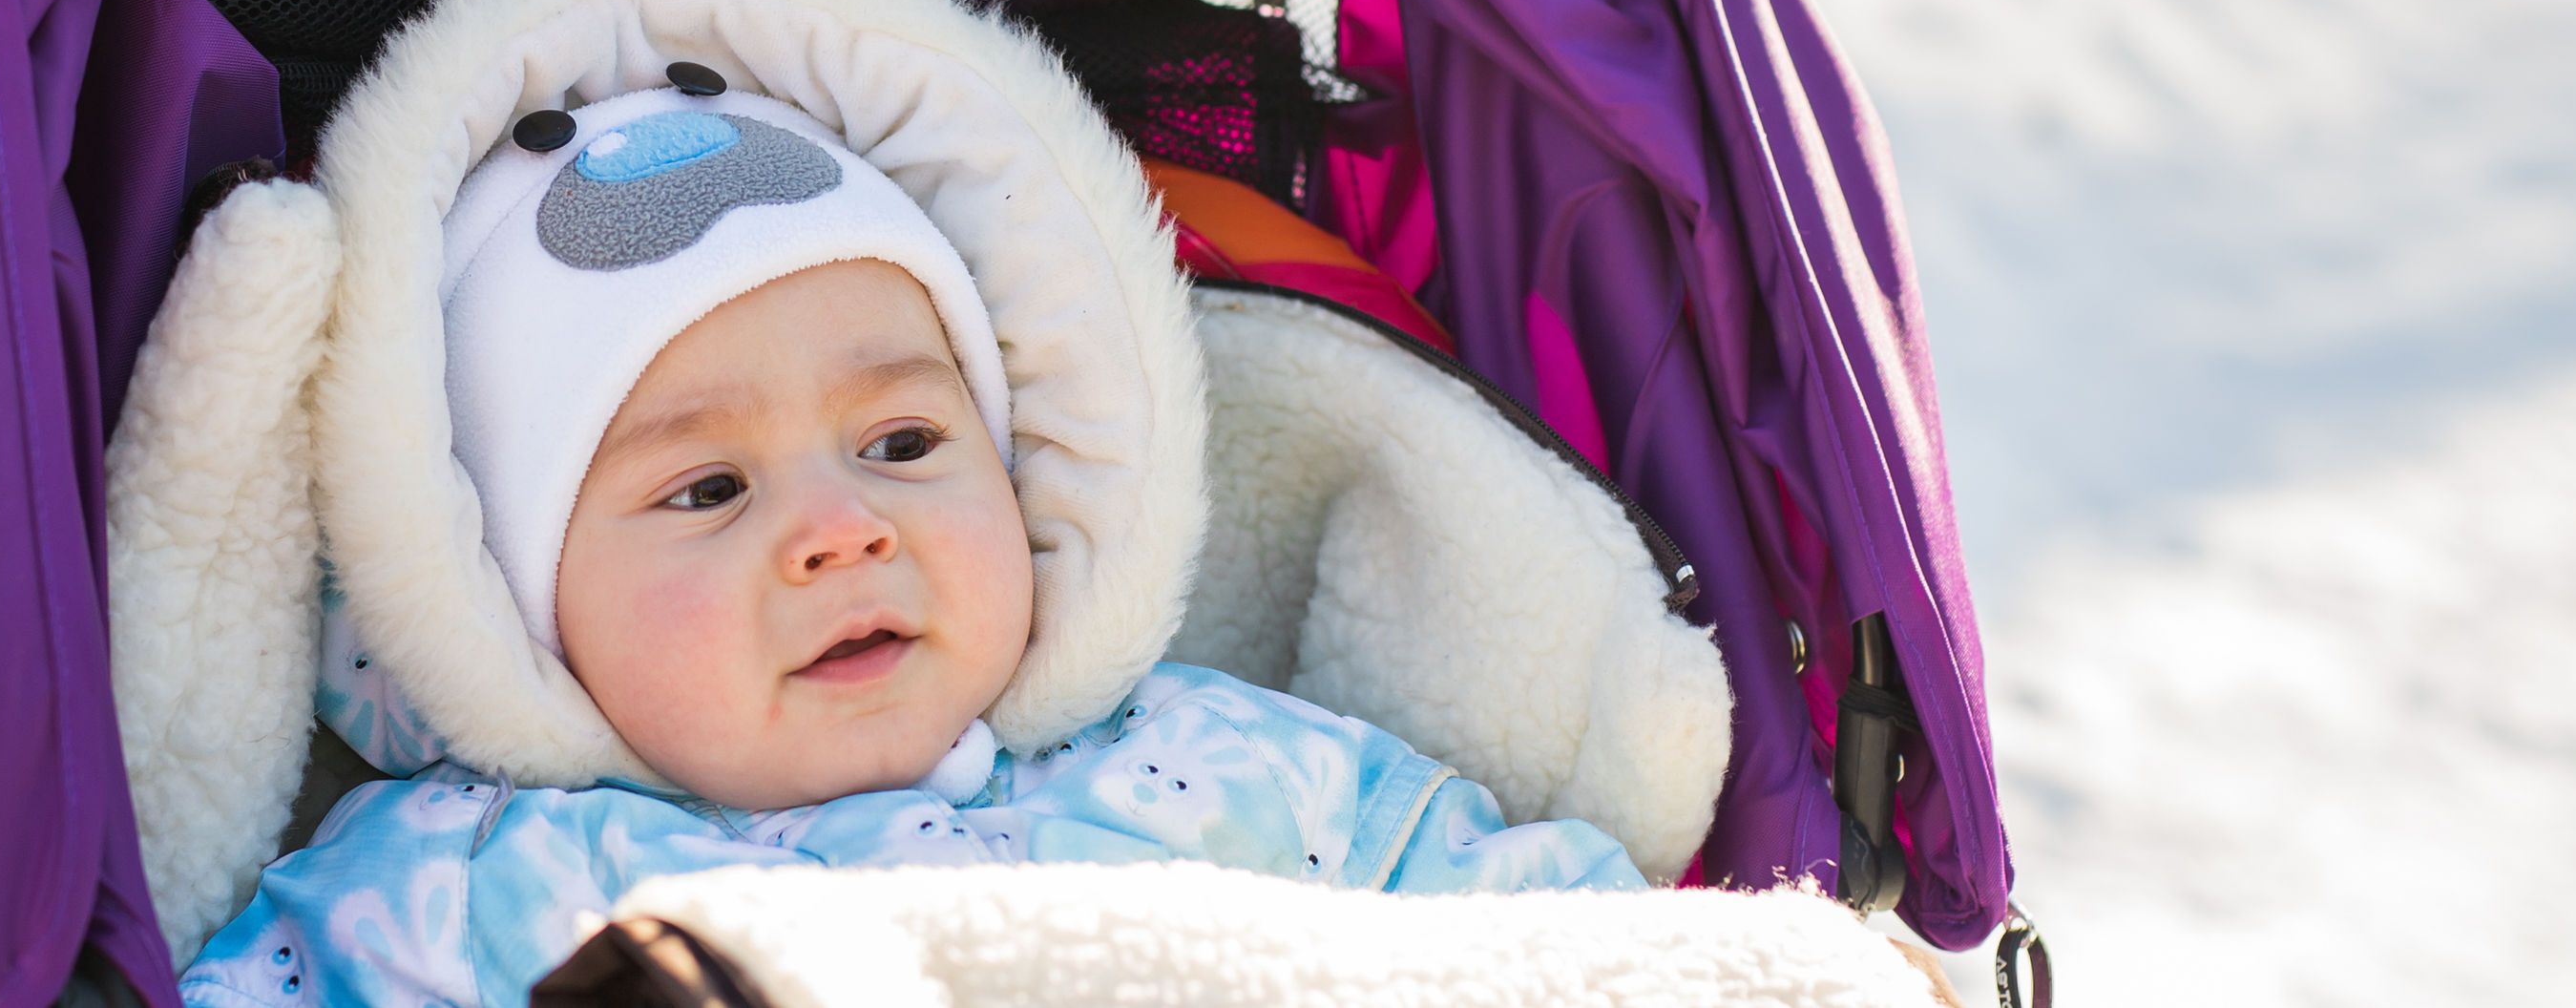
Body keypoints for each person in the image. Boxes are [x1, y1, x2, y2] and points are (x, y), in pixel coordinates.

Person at [177, 76, 1642, 1008]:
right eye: (706, 489)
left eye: (901, 445)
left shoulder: (1205, 763)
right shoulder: (470, 879)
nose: (840, 528)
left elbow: (1538, 939)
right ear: (496, 605)